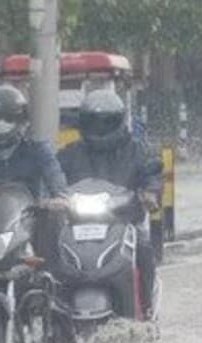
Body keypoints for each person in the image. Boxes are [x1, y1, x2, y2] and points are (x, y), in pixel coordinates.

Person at [57, 89, 163, 317]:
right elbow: (53, 179)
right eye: (94, 123)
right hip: (77, 226)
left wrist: (150, 193)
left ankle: (145, 312)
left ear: (119, 121)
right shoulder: (70, 154)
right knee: (52, 253)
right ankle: (54, 318)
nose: (100, 128)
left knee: (144, 250)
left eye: (107, 122)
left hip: (124, 223)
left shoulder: (137, 151)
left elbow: (152, 173)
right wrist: (47, 199)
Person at [0, 84, 69, 263]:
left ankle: (53, 276)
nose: (0, 125)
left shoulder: (38, 150)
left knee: (55, 223)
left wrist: (60, 198)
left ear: (23, 122)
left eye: (8, 119)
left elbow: (54, 176)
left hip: (27, 222)